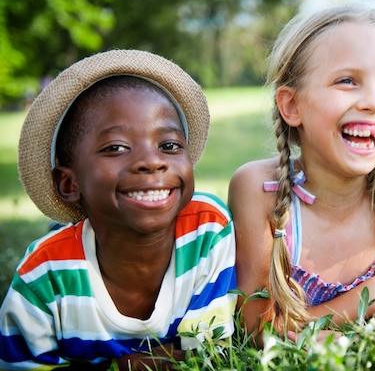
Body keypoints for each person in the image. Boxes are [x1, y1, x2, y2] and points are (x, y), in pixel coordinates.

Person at [0, 50, 237, 370]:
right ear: (69, 183)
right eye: (116, 148)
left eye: (168, 145)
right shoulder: (43, 275)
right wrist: (129, 365)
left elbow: (210, 354)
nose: (152, 161)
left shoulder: (207, 229)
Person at [228, 5, 375, 340]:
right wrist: (370, 297)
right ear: (292, 105)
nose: (373, 102)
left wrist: (318, 330)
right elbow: (255, 328)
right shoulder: (260, 189)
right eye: (347, 81)